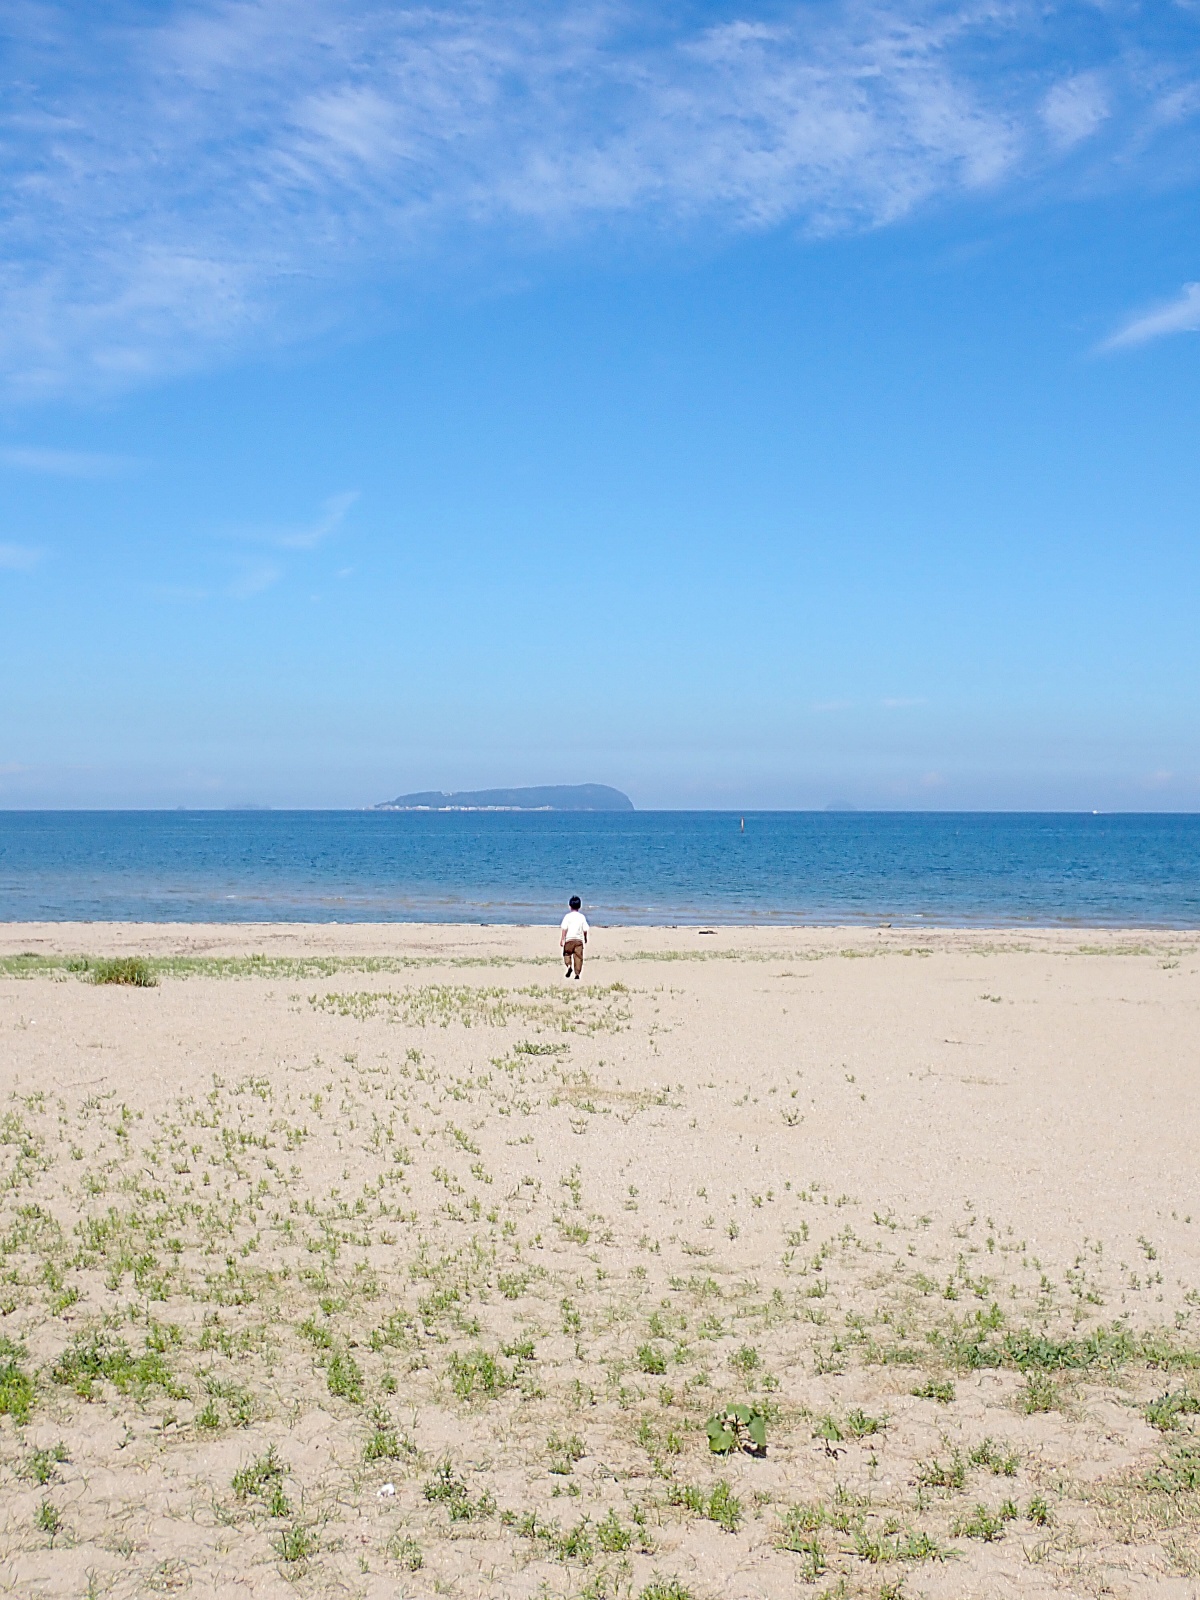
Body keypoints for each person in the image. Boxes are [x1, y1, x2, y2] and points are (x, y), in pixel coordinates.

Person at [560, 895, 589, 979]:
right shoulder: (582, 917)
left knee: (567, 954)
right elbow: (585, 929)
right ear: (579, 906)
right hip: (578, 940)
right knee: (578, 957)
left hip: (569, 940)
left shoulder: (567, 916)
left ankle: (569, 966)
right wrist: (585, 938)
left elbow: (564, 928)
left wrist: (562, 939)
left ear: (570, 906)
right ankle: (577, 974)